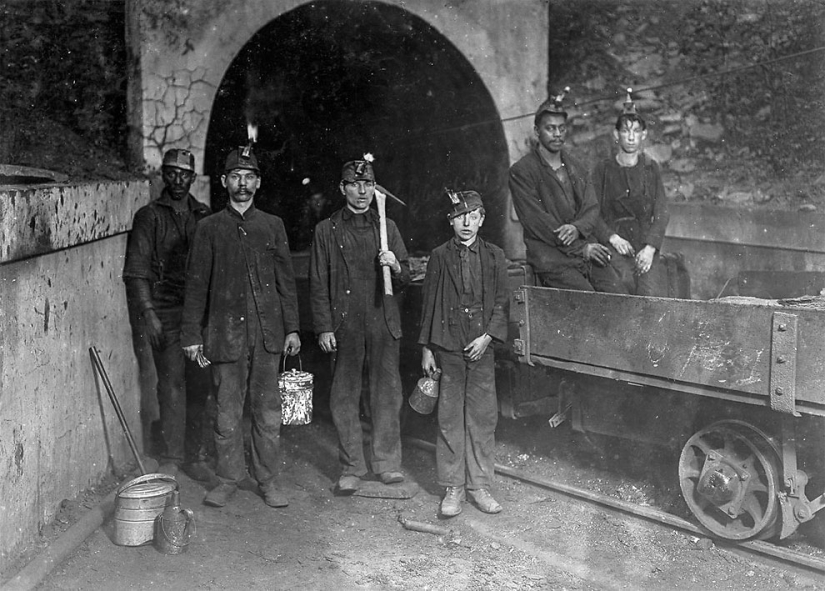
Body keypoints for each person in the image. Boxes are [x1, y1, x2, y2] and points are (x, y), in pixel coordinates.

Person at [181, 146, 301, 509]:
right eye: (236, 176)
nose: (242, 183)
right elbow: (196, 284)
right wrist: (191, 335)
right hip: (225, 335)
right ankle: (229, 478)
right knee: (226, 410)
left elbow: (286, 282)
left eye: (249, 177)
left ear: (259, 182)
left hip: (267, 336)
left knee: (267, 412)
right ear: (224, 181)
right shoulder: (209, 229)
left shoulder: (272, 226)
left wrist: (292, 329)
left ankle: (267, 480)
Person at [309, 155, 410, 493]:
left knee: (386, 393)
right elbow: (318, 281)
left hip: (383, 319)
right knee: (344, 395)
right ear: (343, 188)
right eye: (355, 184)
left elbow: (407, 275)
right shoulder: (327, 230)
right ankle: (352, 466)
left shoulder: (387, 228)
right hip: (345, 322)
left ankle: (386, 463)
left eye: (368, 184)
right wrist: (324, 325)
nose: (362, 191)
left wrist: (395, 265)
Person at [122, 148, 215, 481]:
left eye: (184, 174)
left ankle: (197, 456)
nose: (178, 180)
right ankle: (173, 456)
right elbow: (136, 271)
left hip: (198, 314)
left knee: (200, 383)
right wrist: (148, 312)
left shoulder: (203, 215)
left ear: (193, 178)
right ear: (164, 175)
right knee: (172, 382)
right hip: (165, 309)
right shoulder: (149, 216)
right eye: (172, 173)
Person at [418, 190, 509, 517]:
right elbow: (428, 304)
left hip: (480, 348)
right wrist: (427, 348)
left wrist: (487, 338)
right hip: (449, 346)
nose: (466, 222)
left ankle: (479, 487)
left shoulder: (495, 256)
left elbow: (502, 303)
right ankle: (453, 488)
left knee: (483, 417)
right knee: (450, 416)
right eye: (459, 217)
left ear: (482, 219)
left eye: (473, 216)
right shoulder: (439, 256)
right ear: (451, 221)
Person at [509, 90, 627, 293]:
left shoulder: (577, 167)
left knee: (618, 293)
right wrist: (581, 249)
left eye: (562, 128)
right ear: (537, 131)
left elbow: (591, 208)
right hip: (552, 258)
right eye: (550, 128)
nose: (557, 134)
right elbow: (538, 223)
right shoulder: (522, 172)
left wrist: (577, 228)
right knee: (586, 300)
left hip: (586, 251)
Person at [592, 89, 671, 296]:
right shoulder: (603, 170)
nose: (631, 137)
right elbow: (592, 212)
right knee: (622, 286)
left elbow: (662, 212)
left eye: (636, 131)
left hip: (643, 244)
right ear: (616, 135)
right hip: (614, 244)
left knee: (650, 293)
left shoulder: (650, 168)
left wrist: (650, 248)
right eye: (626, 131)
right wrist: (612, 238)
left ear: (643, 135)